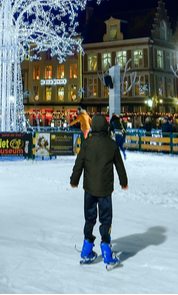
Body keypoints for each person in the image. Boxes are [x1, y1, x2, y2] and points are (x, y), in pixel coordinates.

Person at [70, 113, 129, 267]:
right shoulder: (111, 144)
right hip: (104, 190)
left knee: (89, 218)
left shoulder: (87, 143)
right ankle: (107, 253)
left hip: (89, 189)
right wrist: (124, 182)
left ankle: (86, 251)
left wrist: (74, 180)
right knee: (105, 219)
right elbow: (119, 166)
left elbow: (79, 163)